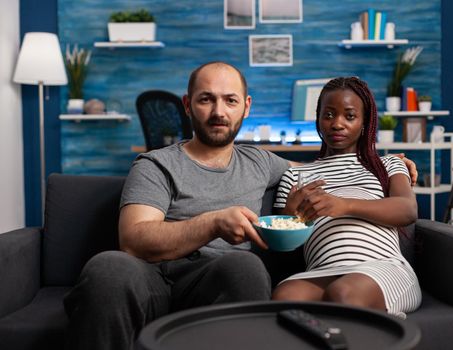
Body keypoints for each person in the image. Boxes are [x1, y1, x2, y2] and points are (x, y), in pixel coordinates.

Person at [63, 63, 419, 350]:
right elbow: (134, 240)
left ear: (245, 107)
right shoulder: (155, 163)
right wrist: (213, 223)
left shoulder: (263, 162)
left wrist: (392, 164)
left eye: (230, 100)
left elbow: (325, 173)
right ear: (188, 106)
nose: (219, 112)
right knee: (109, 266)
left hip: (217, 279)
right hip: (151, 277)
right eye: (206, 100)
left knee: (245, 267)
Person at [272, 76, 422, 319]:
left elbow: (407, 210)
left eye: (349, 116)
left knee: (343, 293)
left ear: (364, 122)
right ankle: (378, 324)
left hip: (381, 268)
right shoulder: (296, 175)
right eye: (328, 115)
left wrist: (342, 205)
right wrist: (290, 217)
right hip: (321, 271)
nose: (337, 124)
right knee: (285, 297)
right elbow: (283, 249)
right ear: (318, 119)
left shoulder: (388, 164)